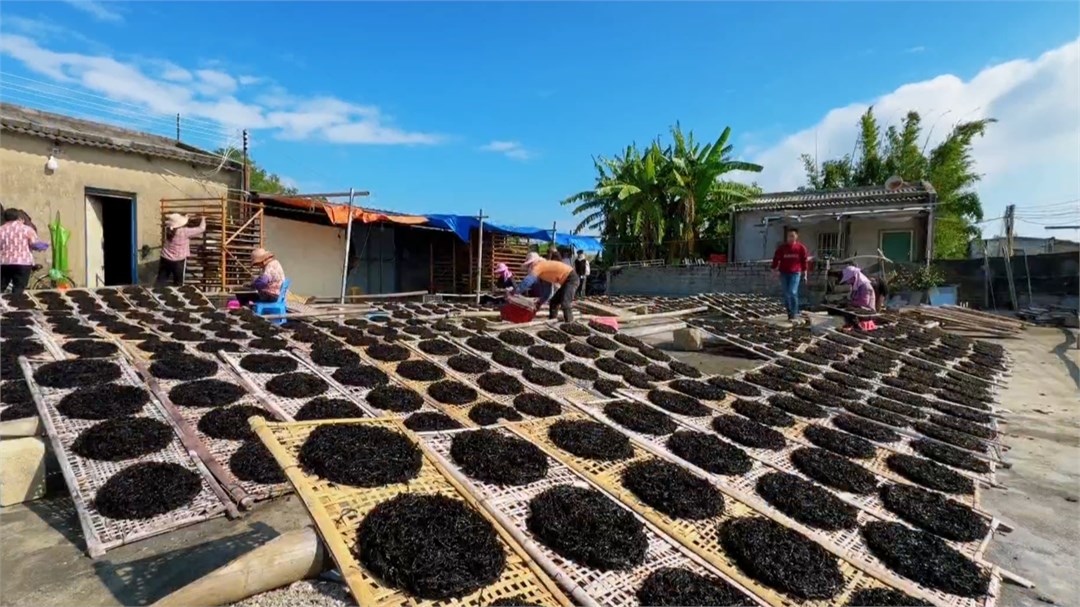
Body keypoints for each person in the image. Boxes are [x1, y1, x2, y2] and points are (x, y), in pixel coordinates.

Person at [515, 252, 578, 322]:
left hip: (571, 278)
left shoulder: (539, 265)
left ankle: (570, 323)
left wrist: (515, 292)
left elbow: (528, 281)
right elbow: (547, 292)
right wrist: (539, 303)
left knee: (565, 302)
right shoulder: (544, 272)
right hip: (566, 281)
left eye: (529, 264)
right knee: (554, 301)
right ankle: (552, 320)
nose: (529, 267)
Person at [0, 208, 48, 295]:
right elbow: (35, 244)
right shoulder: (27, 229)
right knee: (18, 288)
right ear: (18, 217)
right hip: (23, 263)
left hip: (5, 263)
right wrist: (44, 246)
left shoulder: (1, 230)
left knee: (1, 286)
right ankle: (16, 305)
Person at [771, 228, 809, 324]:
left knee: (792, 291)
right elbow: (776, 259)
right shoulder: (782, 248)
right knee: (786, 293)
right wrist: (773, 270)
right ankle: (789, 313)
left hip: (795, 273)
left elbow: (804, 262)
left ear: (796, 236)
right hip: (784, 272)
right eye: (789, 236)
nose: (790, 238)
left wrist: (805, 274)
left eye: (792, 236)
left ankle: (794, 313)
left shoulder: (801, 248)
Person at [156, 213, 206, 287]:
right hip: (178, 260)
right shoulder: (184, 231)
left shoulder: (169, 229)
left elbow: (178, 225)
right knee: (178, 283)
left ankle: (157, 293)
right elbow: (201, 228)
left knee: (161, 280)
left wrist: (186, 218)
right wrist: (203, 219)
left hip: (165, 258)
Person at [840, 265, 877, 331]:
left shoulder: (865, 286)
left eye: (849, 279)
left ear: (854, 277)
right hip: (857, 315)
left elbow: (863, 303)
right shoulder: (857, 285)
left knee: (860, 332)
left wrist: (850, 303)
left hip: (865, 316)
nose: (849, 282)